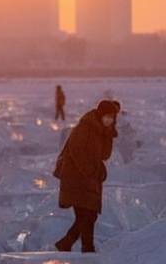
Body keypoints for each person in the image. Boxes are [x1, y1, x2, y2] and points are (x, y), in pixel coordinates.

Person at [54, 100, 118, 253]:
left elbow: (105, 155)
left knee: (89, 216)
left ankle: (76, 246)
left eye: (112, 117)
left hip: (88, 180)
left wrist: (109, 133)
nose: (109, 120)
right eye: (107, 116)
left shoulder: (101, 131)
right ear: (100, 114)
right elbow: (76, 152)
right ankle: (79, 246)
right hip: (76, 178)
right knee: (87, 215)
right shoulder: (85, 127)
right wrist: (90, 171)